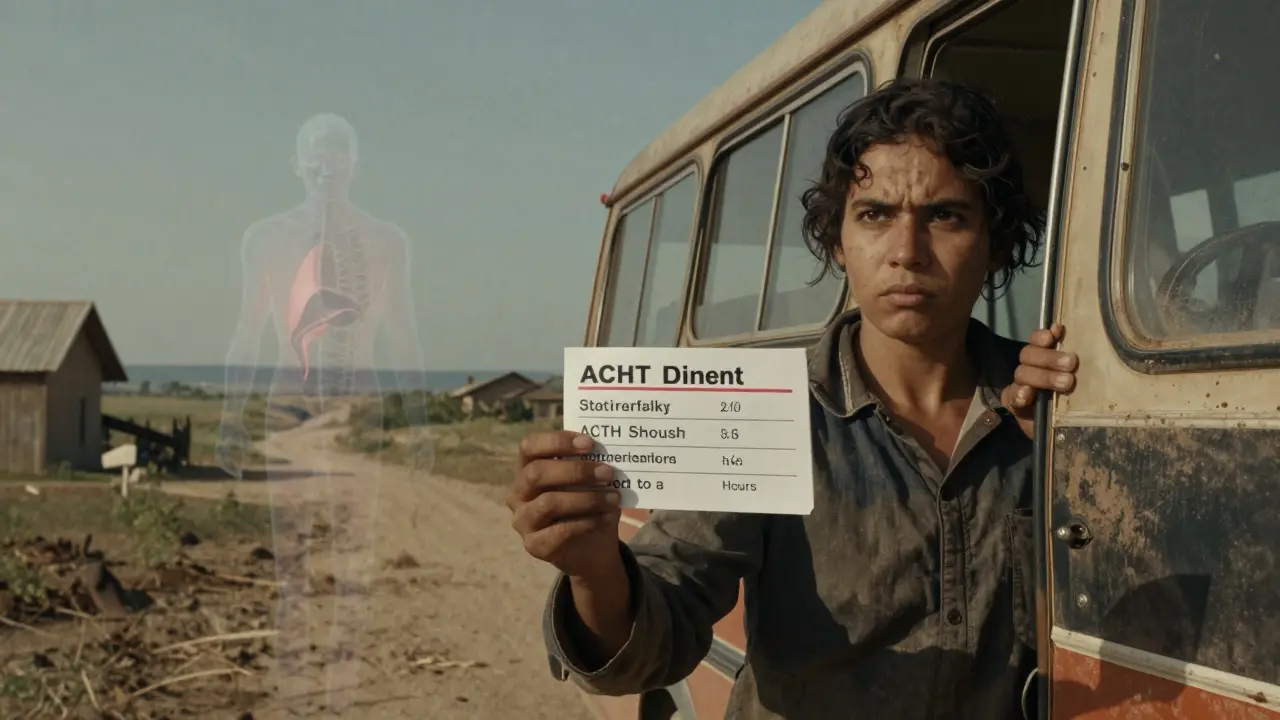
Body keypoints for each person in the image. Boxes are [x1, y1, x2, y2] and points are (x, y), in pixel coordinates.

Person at [505, 78, 1079, 719]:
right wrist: (595, 571)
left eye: (944, 216)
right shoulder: (766, 414)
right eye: (875, 215)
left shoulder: (1055, 406)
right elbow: (660, 629)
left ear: (995, 244)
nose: (907, 253)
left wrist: (1070, 471)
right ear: (838, 243)